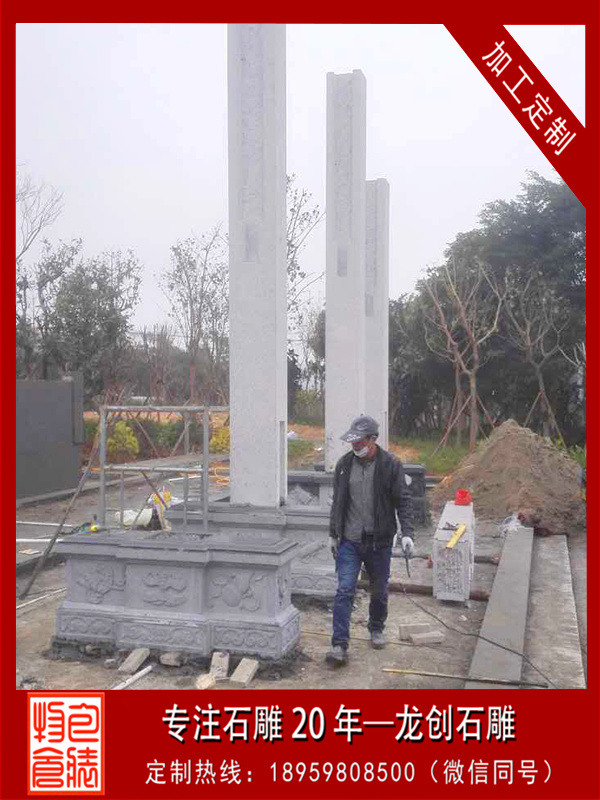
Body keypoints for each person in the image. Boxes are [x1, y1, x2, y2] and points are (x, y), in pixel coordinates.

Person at [326, 414, 414, 665]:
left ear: (373, 439)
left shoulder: (390, 465)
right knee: (344, 589)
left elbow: (403, 501)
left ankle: (376, 627)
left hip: (379, 541)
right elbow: (338, 502)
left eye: (360, 441)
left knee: (379, 589)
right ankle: (339, 644)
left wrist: (407, 533)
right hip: (350, 541)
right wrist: (333, 534)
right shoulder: (344, 465)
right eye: (352, 442)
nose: (355, 446)